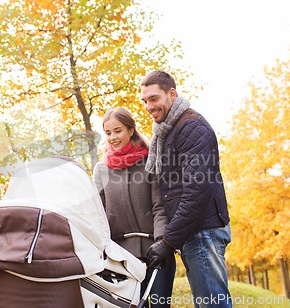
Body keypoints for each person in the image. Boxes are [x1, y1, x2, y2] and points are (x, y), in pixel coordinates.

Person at [140, 70, 232, 307]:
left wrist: (168, 241)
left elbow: (196, 192)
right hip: (194, 232)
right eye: (145, 101)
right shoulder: (170, 130)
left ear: (172, 94)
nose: (149, 106)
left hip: (203, 232)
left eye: (154, 98)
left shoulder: (191, 128)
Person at [93, 107, 176, 308]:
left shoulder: (150, 162)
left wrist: (162, 244)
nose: (113, 137)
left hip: (155, 252)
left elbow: (159, 207)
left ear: (131, 130)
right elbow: (97, 213)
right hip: (119, 258)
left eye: (118, 130)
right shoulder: (101, 169)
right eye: (108, 132)